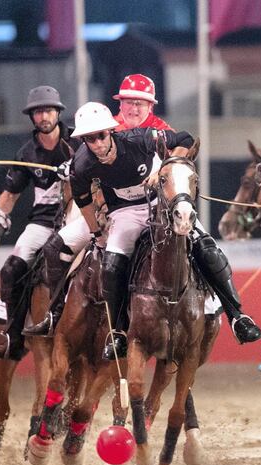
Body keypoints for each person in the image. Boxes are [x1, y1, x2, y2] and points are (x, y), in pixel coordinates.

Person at [64, 102, 261, 359]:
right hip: (125, 213)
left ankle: (238, 316)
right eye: (90, 139)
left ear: (111, 132)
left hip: (163, 204)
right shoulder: (81, 164)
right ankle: (118, 333)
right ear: (83, 140)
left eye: (101, 135)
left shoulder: (141, 138)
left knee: (205, 244)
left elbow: (185, 139)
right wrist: (96, 233)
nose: (98, 143)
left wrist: (161, 169)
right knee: (111, 262)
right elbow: (83, 200)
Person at [24, 73, 174, 337]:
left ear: (151, 106)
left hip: (155, 208)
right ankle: (53, 313)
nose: (134, 108)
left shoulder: (160, 130)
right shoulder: (105, 124)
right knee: (55, 247)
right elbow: (83, 161)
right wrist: (71, 168)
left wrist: (163, 172)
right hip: (107, 210)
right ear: (120, 103)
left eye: (141, 103)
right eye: (129, 102)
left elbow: (181, 166)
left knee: (196, 241)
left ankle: (209, 304)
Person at [0, 85, 81, 358]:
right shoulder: (26, 154)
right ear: (32, 117)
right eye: (38, 112)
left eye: (48, 110)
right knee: (15, 263)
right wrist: (1, 213)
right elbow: (10, 193)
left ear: (58, 112)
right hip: (42, 223)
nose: (44, 116)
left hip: (78, 220)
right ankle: (12, 336)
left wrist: (76, 166)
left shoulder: (78, 142)